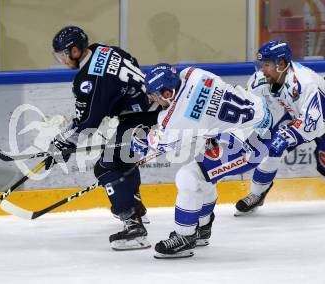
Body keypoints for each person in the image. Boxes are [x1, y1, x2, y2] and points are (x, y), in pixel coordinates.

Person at [132, 63, 273, 258]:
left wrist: (142, 142)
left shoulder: (178, 118)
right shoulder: (193, 73)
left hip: (250, 144)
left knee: (189, 177)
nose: (154, 99)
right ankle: (203, 227)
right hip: (258, 118)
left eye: (156, 95)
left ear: (167, 93)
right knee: (204, 173)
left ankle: (185, 237)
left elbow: (161, 142)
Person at [48, 26, 161, 250]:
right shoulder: (106, 50)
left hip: (141, 119)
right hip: (155, 109)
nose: (62, 59)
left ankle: (134, 228)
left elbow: (87, 122)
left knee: (107, 166)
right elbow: (132, 65)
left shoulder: (88, 78)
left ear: (75, 50)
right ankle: (135, 206)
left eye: (63, 54)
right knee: (122, 159)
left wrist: (63, 141)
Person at [235, 40, 325, 215]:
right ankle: (257, 194)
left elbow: (314, 124)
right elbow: (248, 102)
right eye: (262, 64)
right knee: (272, 148)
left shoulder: (305, 83)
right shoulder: (268, 77)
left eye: (266, 64)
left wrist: (289, 133)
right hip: (298, 116)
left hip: (319, 121)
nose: (262, 69)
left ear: (281, 63)